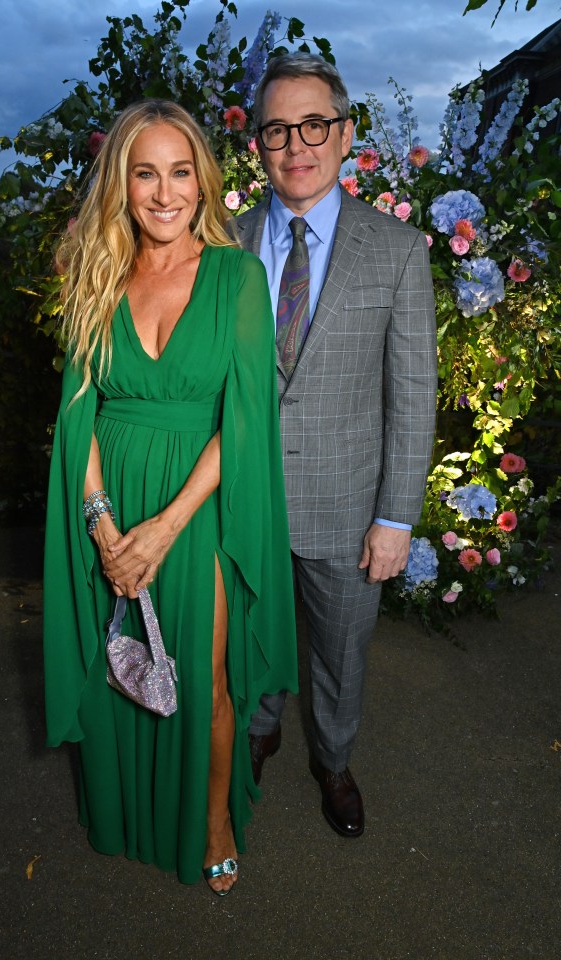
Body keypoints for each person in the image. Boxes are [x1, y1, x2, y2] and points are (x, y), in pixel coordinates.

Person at [42, 100, 298, 895]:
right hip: (108, 501)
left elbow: (244, 417)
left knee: (206, 676)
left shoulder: (237, 276)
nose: (164, 193)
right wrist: (103, 525)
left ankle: (214, 816)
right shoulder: (96, 274)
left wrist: (163, 529)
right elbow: (76, 413)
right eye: (145, 173)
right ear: (122, 183)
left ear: (203, 181)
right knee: (118, 664)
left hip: (199, 505)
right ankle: (125, 806)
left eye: (180, 172)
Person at [235, 54, 437, 838]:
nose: (297, 144)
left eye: (314, 124)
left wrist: (397, 518)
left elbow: (412, 393)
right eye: (277, 128)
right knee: (250, 630)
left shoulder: (396, 250)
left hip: (349, 506)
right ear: (256, 143)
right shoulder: (221, 242)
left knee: (341, 653)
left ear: (346, 133)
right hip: (241, 497)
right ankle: (257, 729)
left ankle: (334, 759)